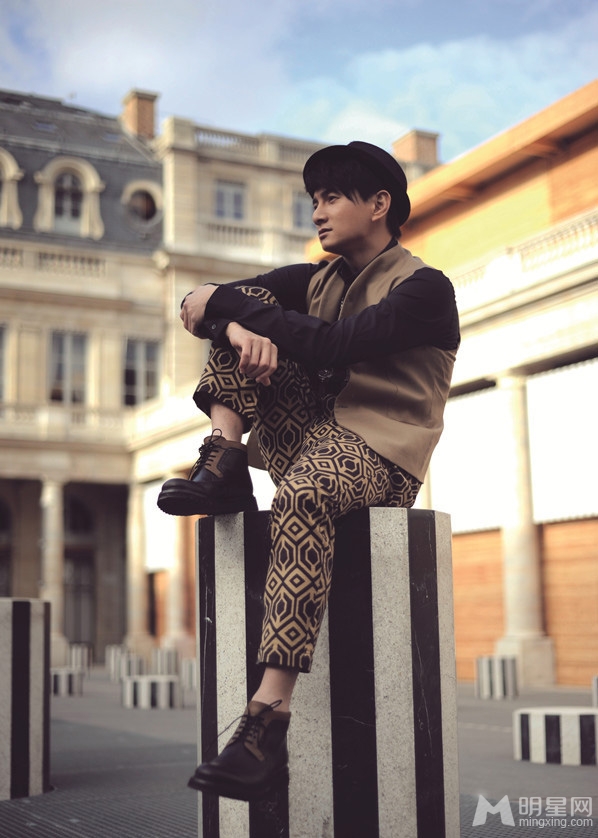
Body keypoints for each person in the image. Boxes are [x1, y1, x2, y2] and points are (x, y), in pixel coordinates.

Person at [157, 140, 460, 801]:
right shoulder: (311, 280)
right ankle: (224, 458)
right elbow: (198, 303)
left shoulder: (424, 288)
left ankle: (266, 724)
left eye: (331, 198)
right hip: (310, 434)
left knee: (302, 493)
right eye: (313, 199)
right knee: (240, 315)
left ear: (378, 204)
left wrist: (235, 311)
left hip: (382, 451)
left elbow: (336, 345)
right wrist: (232, 323)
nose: (316, 212)